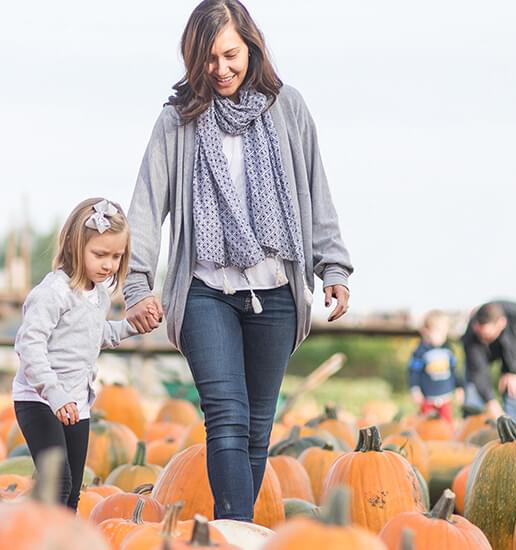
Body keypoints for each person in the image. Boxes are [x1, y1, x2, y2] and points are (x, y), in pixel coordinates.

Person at [122, 0, 353, 521]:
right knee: (225, 416)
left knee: (256, 426)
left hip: (275, 290)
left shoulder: (287, 108)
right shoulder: (176, 121)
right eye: (207, 59)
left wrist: (332, 266)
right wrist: (137, 284)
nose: (220, 69)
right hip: (205, 290)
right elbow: (145, 205)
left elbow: (316, 192)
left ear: (251, 46)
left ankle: (233, 529)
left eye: (230, 55)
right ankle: (236, 531)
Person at [13, 198, 140, 510]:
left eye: (116, 256)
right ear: (73, 245)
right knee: (59, 482)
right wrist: (53, 393)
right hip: (40, 399)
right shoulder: (53, 293)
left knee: (71, 494)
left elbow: (93, 336)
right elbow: (30, 345)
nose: (108, 264)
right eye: (100, 254)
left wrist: (130, 326)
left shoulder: (98, 297)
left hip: (76, 403)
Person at [462, 300, 516, 424]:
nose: (483, 340)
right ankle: (474, 427)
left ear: (501, 324)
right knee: (473, 390)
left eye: (487, 336)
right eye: (480, 335)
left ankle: (515, 428)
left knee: (514, 389)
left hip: (515, 352)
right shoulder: (472, 332)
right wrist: (491, 402)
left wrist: (514, 371)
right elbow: (478, 370)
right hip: (480, 359)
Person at [408, 311, 463, 421]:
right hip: (428, 398)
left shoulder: (448, 349)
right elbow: (414, 372)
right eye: (438, 333)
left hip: (445, 398)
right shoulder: (420, 352)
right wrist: (415, 390)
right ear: (425, 332)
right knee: (428, 425)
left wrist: (459, 387)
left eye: (444, 333)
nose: (442, 337)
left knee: (447, 423)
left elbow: (454, 370)